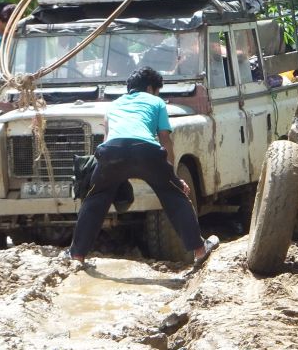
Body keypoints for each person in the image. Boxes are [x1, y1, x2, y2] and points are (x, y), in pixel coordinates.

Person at [68, 66, 219, 265]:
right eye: (157, 90)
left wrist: (108, 177)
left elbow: (106, 142)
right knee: (175, 196)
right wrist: (172, 177)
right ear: (150, 88)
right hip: (146, 151)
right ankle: (200, 250)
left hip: (112, 152)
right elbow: (165, 139)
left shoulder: (113, 106)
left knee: (95, 198)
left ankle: (77, 255)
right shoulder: (156, 102)